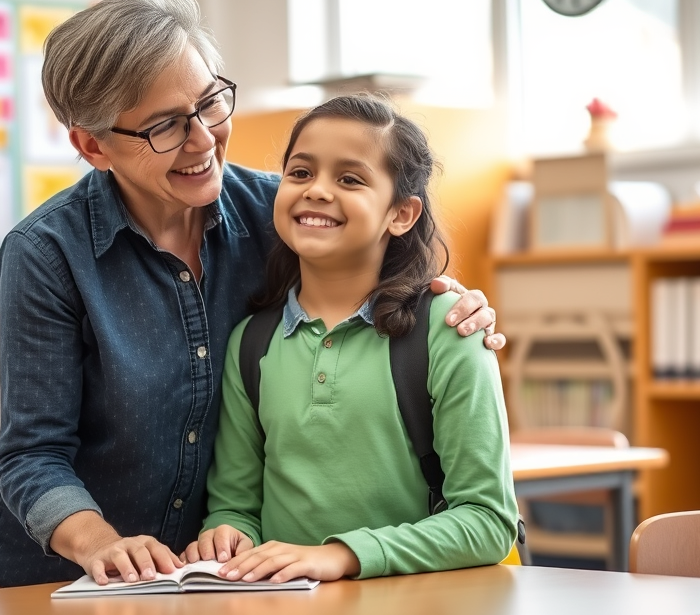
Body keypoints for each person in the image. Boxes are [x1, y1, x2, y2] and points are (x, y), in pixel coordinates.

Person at [0, 0, 506, 589]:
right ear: (93, 146)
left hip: (211, 581)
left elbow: (378, 252)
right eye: (165, 128)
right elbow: (29, 453)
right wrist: (101, 542)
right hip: (55, 581)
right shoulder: (46, 253)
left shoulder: (277, 213)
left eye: (209, 103)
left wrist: (453, 303)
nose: (203, 140)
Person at [183, 95, 518, 583]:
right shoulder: (250, 343)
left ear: (400, 214)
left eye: (350, 179)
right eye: (299, 173)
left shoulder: (450, 329)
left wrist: (343, 555)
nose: (317, 190)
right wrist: (228, 531)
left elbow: (489, 522)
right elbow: (235, 505)